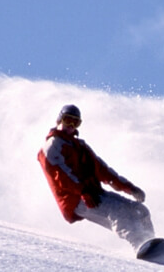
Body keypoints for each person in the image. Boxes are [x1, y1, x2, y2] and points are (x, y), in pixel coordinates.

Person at [37, 104, 156, 253]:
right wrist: (83, 191)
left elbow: (102, 170)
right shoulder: (51, 146)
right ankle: (140, 245)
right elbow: (61, 176)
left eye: (76, 122)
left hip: (95, 193)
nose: (71, 126)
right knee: (118, 211)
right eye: (68, 120)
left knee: (139, 210)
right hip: (76, 198)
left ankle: (152, 242)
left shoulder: (80, 146)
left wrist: (129, 188)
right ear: (59, 120)